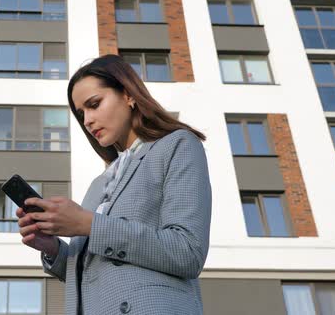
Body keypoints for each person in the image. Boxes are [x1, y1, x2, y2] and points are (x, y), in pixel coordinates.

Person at [16, 54, 212, 315]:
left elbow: (188, 252)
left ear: (128, 95)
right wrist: (53, 249)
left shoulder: (177, 145)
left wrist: (88, 224)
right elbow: (97, 270)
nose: (87, 121)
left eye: (94, 104)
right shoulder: (100, 183)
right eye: (81, 113)